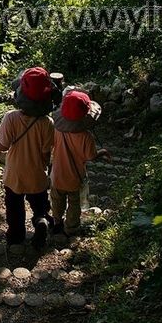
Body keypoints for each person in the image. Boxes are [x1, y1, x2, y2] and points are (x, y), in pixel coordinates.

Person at [0, 67, 56, 248]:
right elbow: (46, 152)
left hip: (15, 175)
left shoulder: (10, 118)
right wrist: (44, 167)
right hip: (36, 175)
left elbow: (3, 145)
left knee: (14, 207)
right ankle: (41, 220)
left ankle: (16, 237)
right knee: (40, 205)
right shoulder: (47, 123)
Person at [49, 89, 108, 235]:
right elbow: (90, 156)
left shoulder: (56, 130)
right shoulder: (86, 136)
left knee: (57, 200)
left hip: (56, 175)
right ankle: (71, 228)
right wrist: (103, 152)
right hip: (75, 177)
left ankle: (57, 222)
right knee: (74, 203)